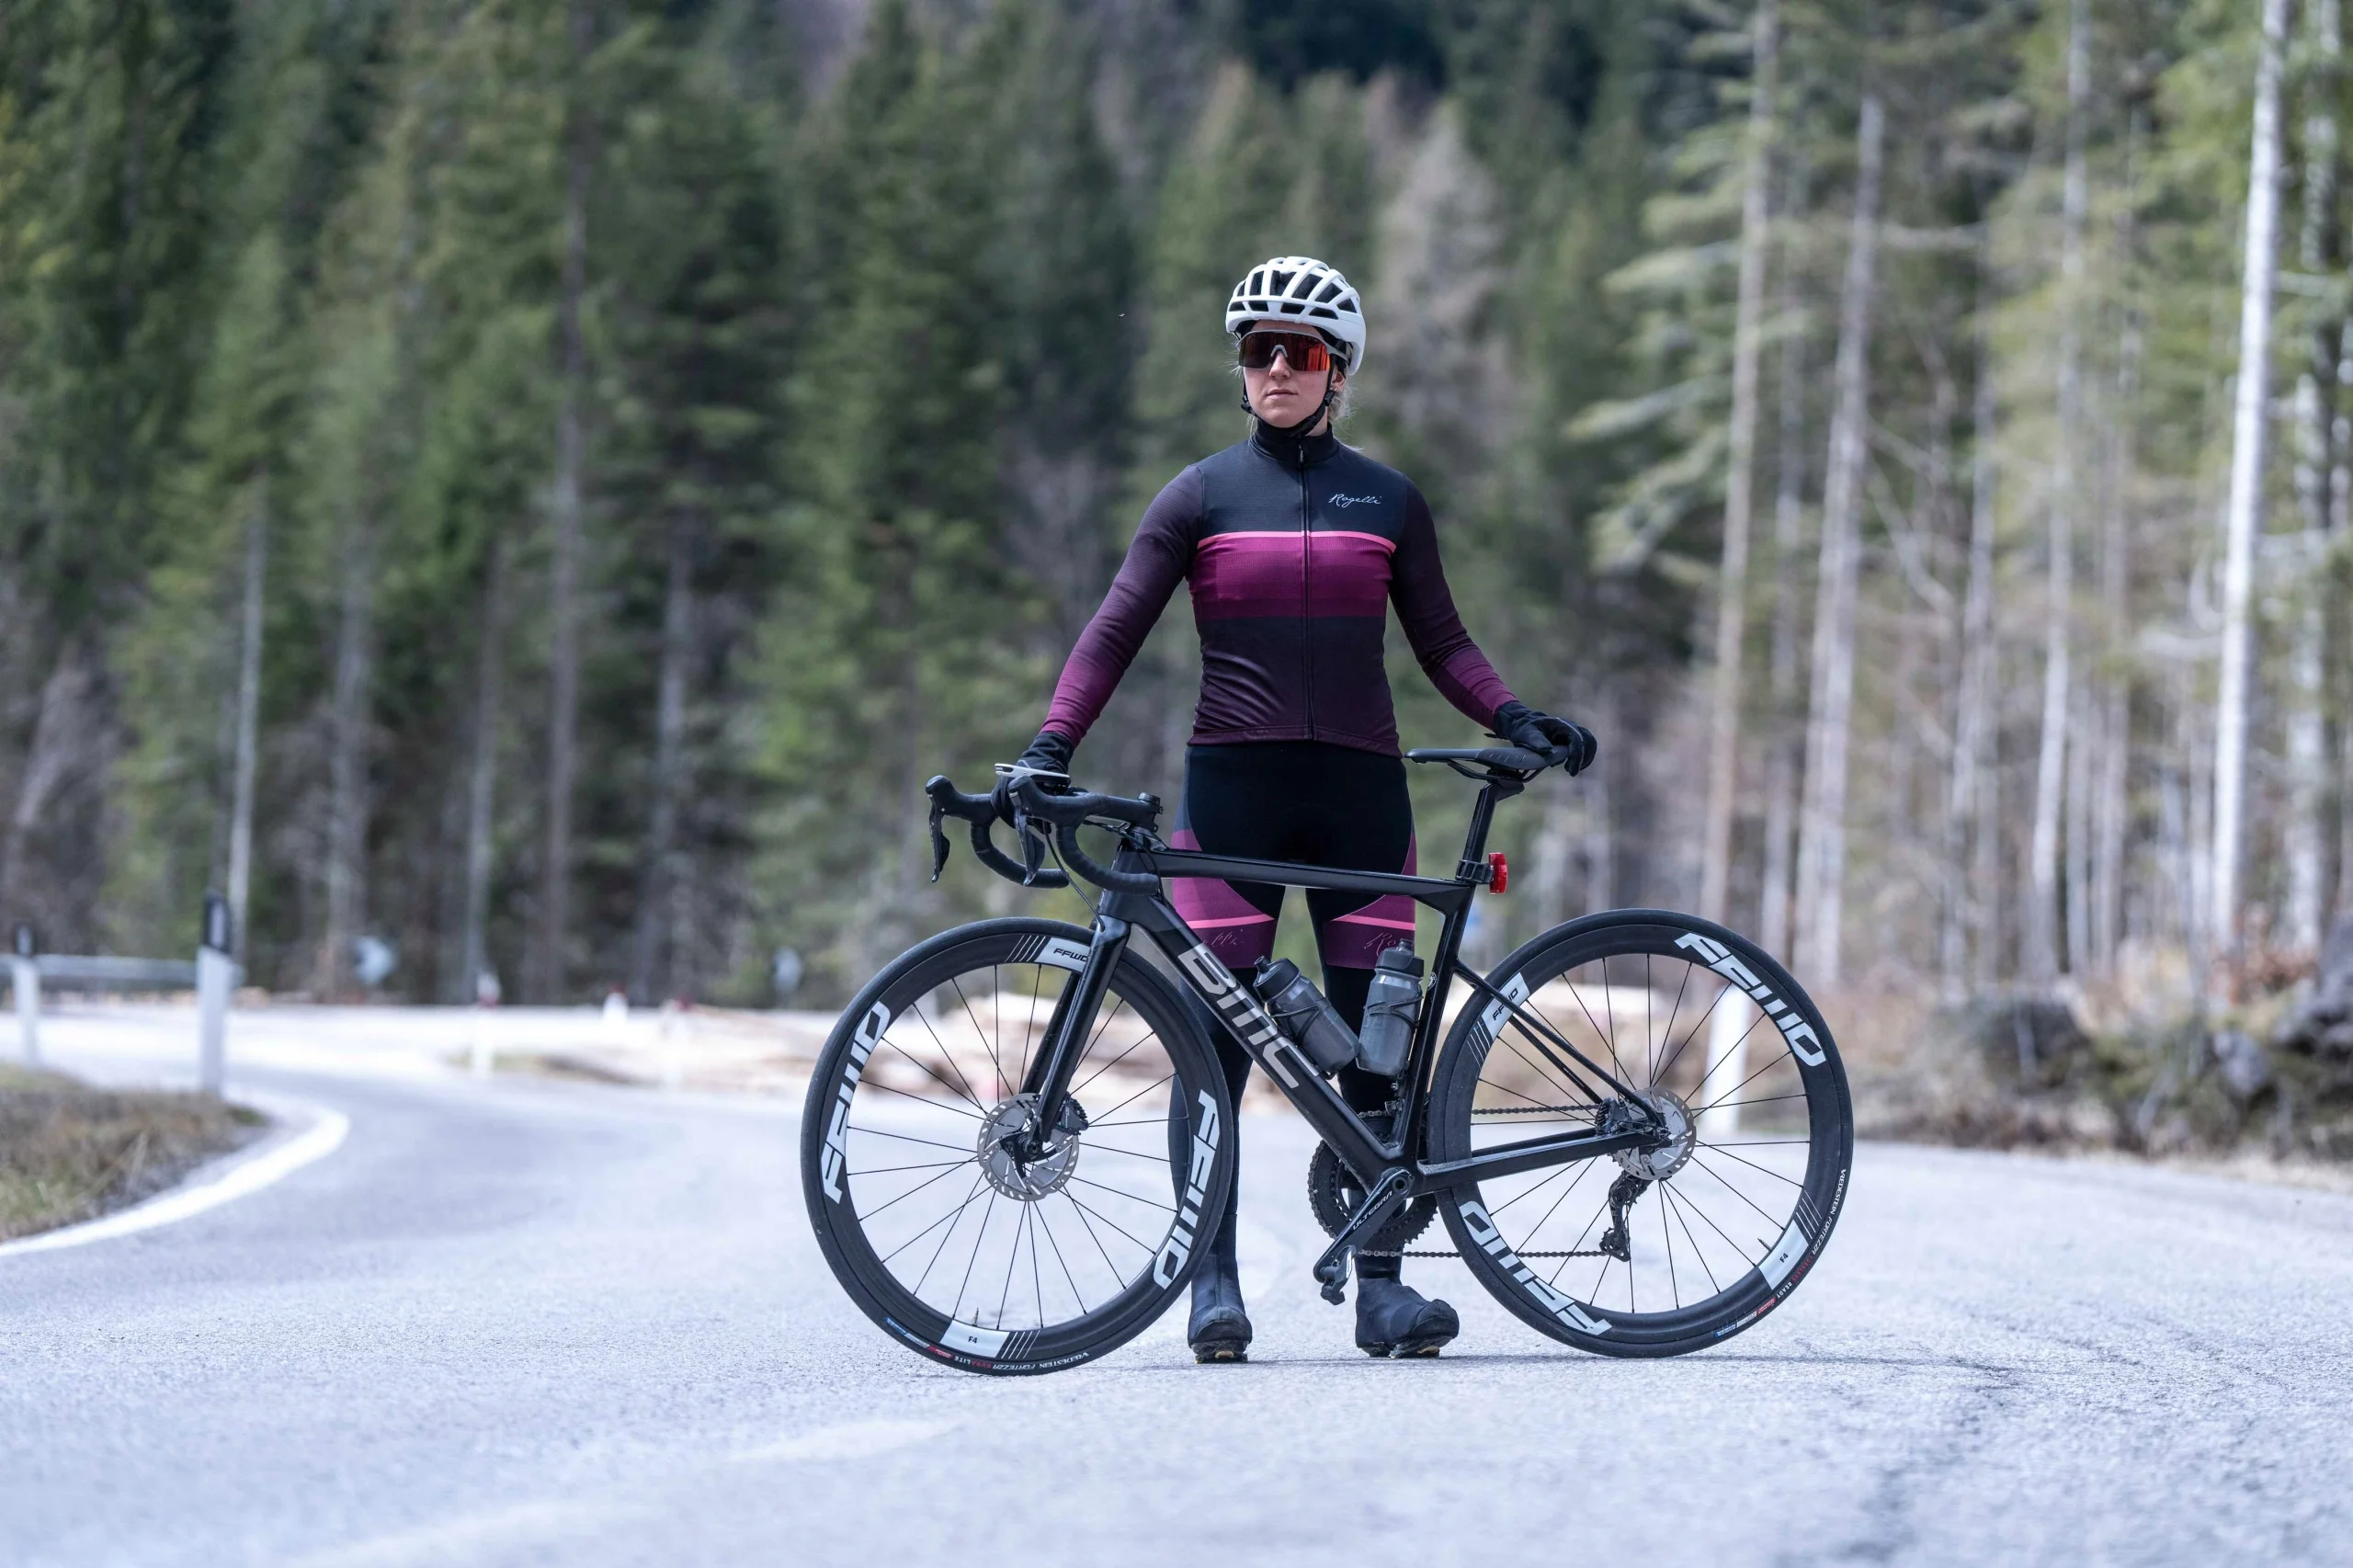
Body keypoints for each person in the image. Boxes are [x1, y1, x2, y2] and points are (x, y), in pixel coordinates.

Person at [1013, 256, 1595, 1362]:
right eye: (1257, 349)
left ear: (1339, 370)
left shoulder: (1389, 500)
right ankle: (1212, 1284)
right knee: (1214, 1052)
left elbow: (1442, 642)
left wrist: (1514, 714)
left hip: (1359, 796)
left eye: (1302, 351)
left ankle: (1383, 1290)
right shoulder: (1197, 496)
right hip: (1233, 794)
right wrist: (1051, 742)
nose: (1276, 367)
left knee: (1376, 1049)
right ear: (1239, 367)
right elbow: (1113, 628)